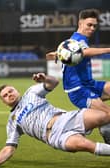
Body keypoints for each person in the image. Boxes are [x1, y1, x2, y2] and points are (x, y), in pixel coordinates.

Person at [0, 72, 110, 167]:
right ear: (3, 101)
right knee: (86, 145)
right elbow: (9, 148)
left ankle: (107, 136)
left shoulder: (31, 92)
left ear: (17, 91)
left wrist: (45, 79)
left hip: (66, 119)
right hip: (56, 137)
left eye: (11, 91)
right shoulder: (12, 122)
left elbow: (55, 82)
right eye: (5, 95)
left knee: (105, 115)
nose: (9, 95)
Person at [46, 8, 110, 144]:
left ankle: (96, 121)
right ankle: (100, 128)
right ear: (80, 23)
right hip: (78, 91)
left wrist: (57, 53)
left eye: (94, 26)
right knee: (107, 115)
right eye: (89, 25)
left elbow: (69, 51)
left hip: (90, 84)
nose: (92, 28)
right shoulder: (76, 40)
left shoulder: (73, 41)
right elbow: (83, 52)